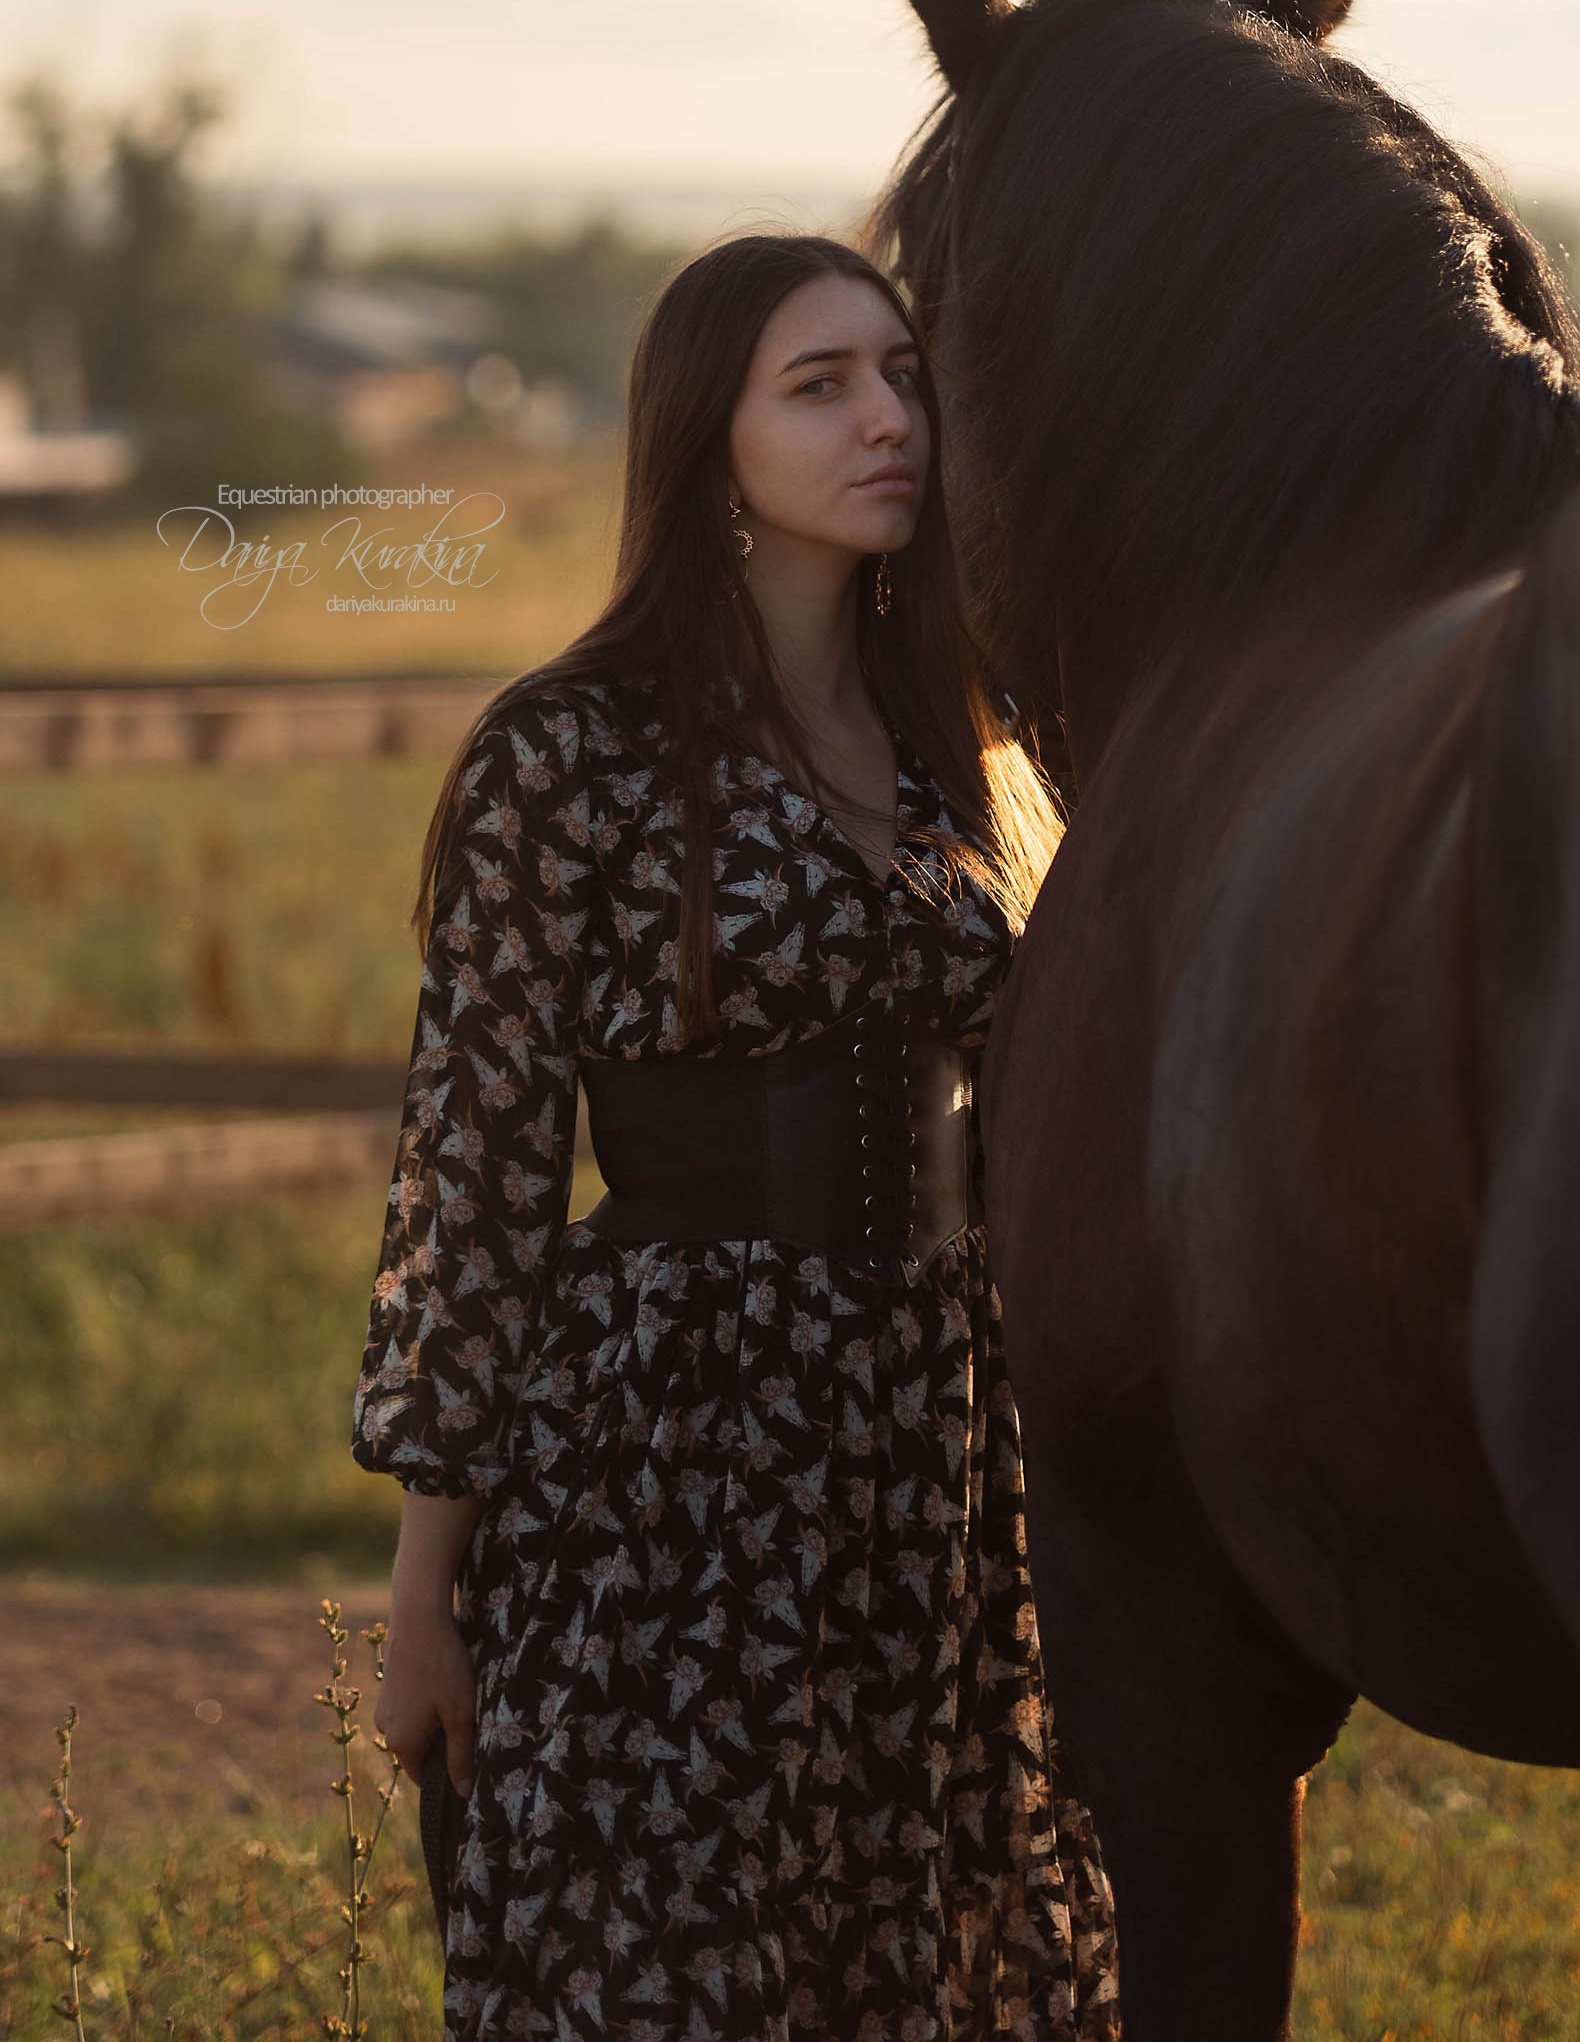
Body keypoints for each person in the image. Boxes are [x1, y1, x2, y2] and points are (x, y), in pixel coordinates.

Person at [353, 233, 1120, 2042]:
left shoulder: (971, 750)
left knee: (934, 1947)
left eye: (901, 375)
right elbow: (477, 1176)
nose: (889, 421)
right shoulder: (572, 755)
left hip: (940, 1442)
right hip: (672, 1453)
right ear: (711, 443)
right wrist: (421, 1602)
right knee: (671, 1961)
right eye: (822, 385)